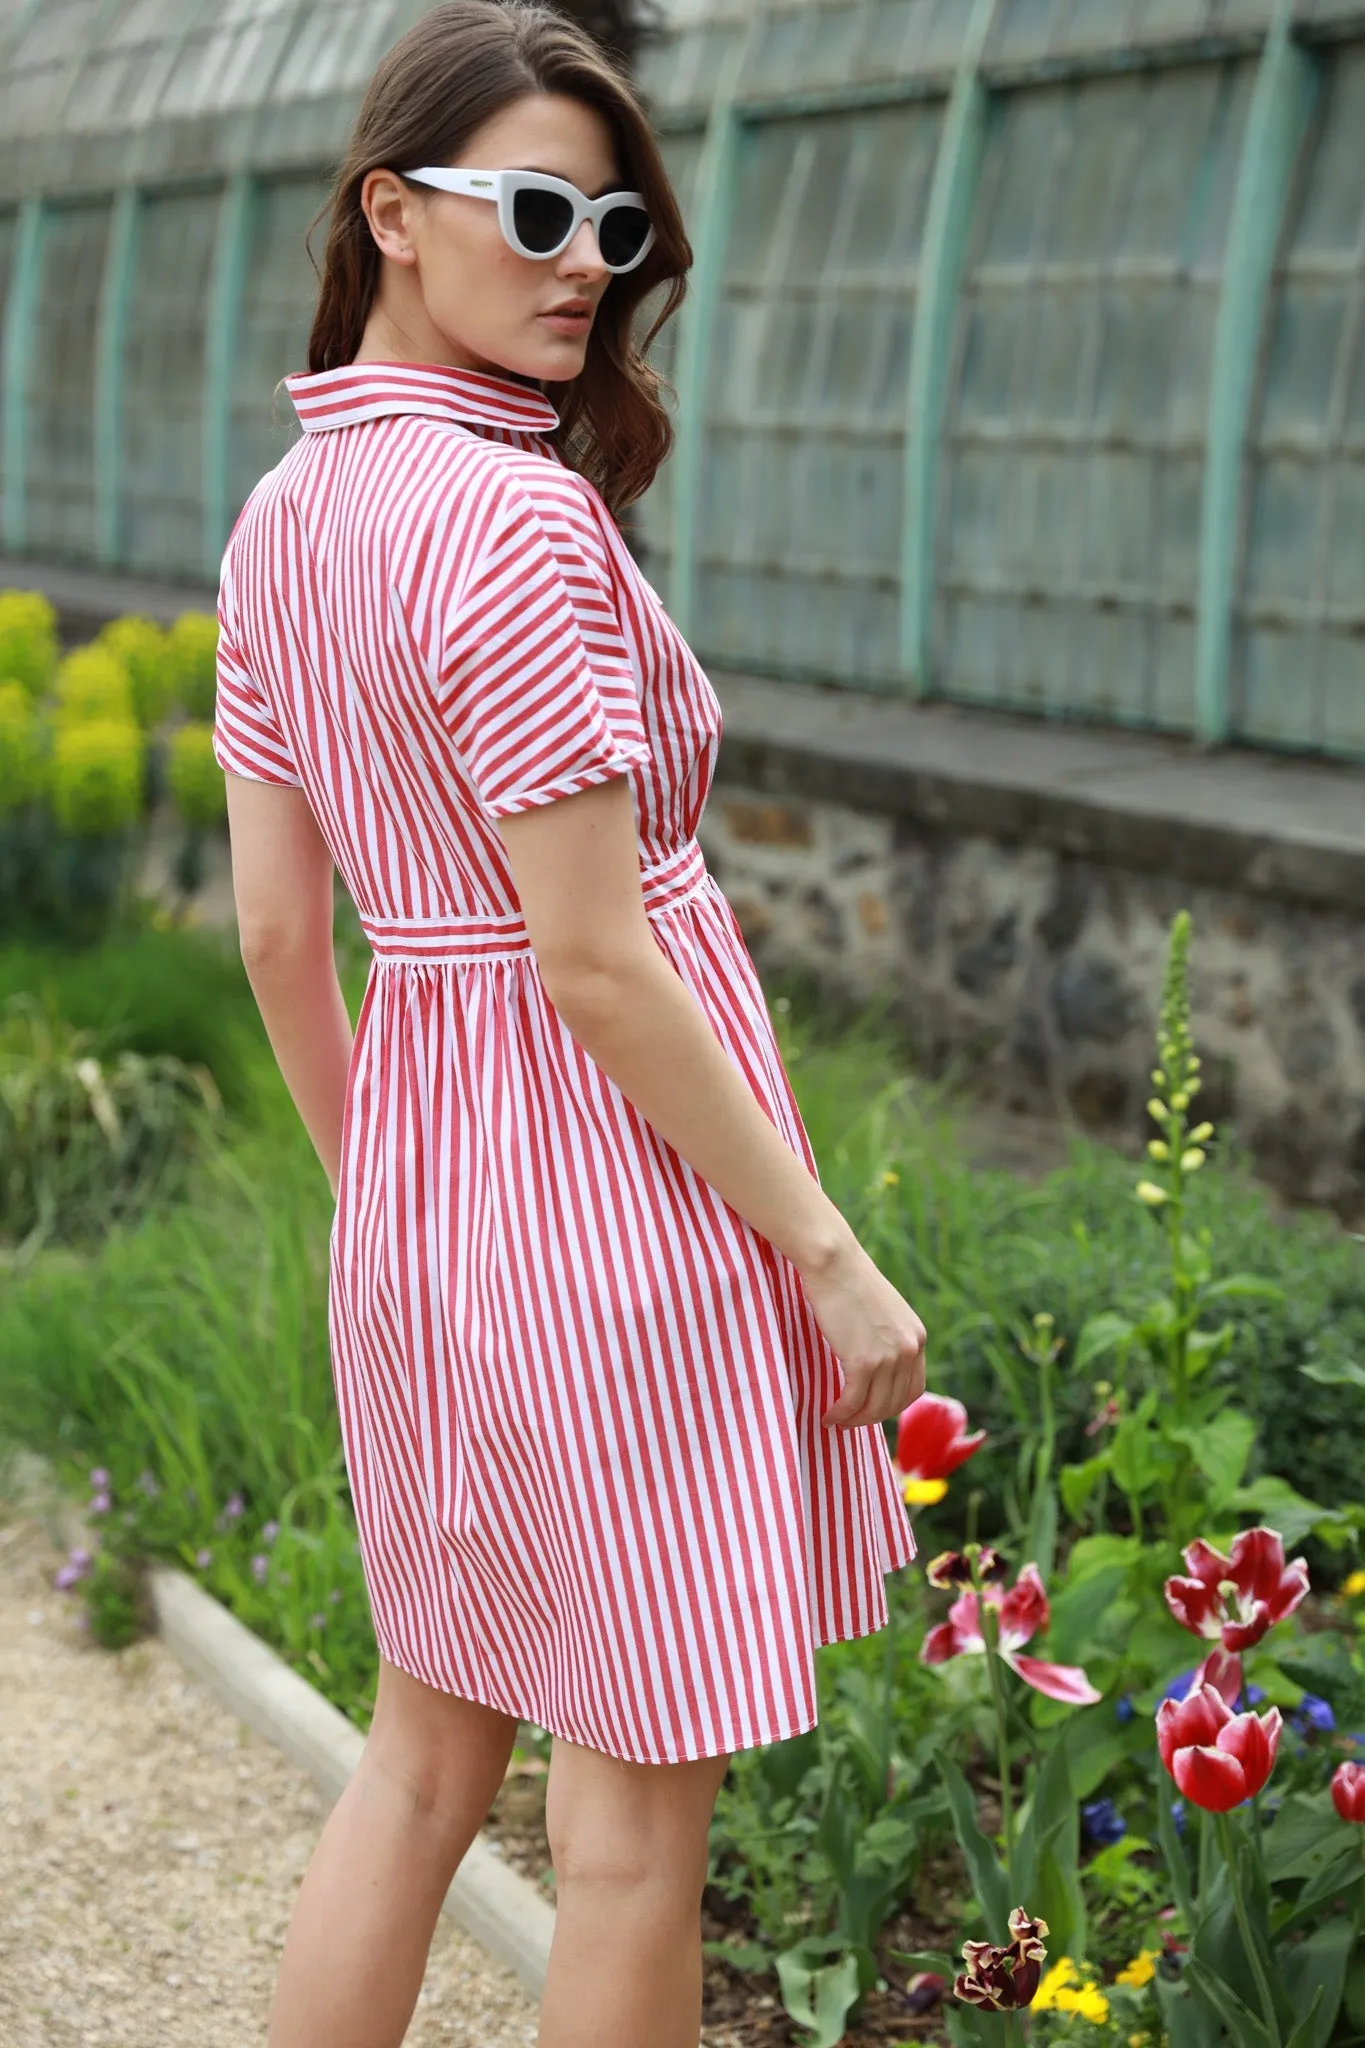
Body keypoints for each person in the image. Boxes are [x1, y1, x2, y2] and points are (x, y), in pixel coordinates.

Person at [211, 5, 928, 2045]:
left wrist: (400, 1206)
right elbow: (596, 958)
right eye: (532, 209)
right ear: (391, 214)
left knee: (421, 1762)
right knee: (625, 1839)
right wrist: (824, 1244)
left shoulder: (284, 521)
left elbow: (281, 936)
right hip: (624, 1219)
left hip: (431, 1200)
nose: (581, 262)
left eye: (612, 225)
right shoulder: (513, 521)